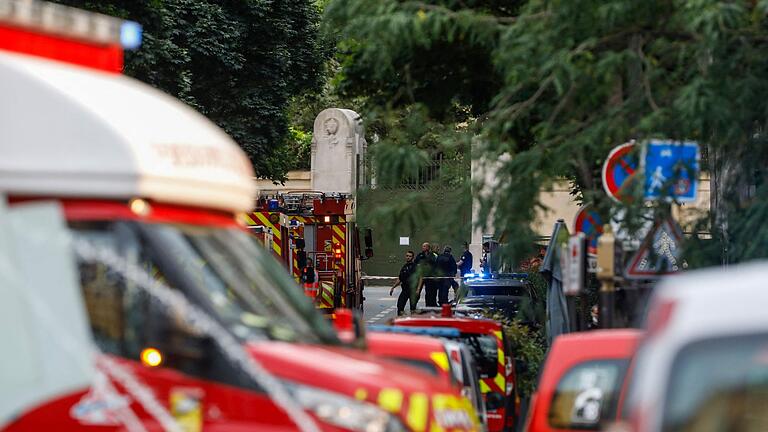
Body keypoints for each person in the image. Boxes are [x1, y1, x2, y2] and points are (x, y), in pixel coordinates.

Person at [390, 250, 417, 315]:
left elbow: (420, 278)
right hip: (405, 290)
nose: (408, 257)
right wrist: (393, 287)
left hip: (412, 290)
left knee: (413, 308)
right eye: (407, 256)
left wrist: (418, 289)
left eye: (410, 256)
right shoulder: (404, 267)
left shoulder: (415, 266)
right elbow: (400, 278)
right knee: (400, 306)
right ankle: (400, 320)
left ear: (413, 257)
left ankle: (413, 322)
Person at [414, 242, 439, 307]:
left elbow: (435, 265)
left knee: (429, 292)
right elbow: (416, 263)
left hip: (429, 276)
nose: (423, 248)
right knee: (417, 291)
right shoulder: (420, 255)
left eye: (425, 246)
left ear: (428, 247)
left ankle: (429, 305)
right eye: (423, 246)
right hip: (421, 276)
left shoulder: (433, 255)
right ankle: (413, 306)